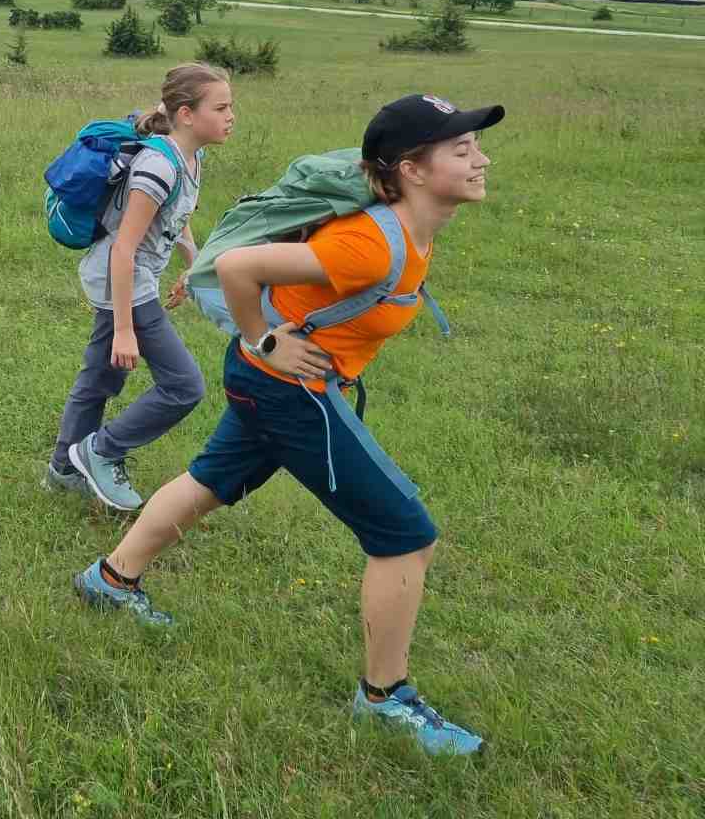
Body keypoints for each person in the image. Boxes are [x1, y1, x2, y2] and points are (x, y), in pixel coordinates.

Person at [72, 94, 504, 758]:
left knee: (211, 480)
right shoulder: (368, 244)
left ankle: (111, 579)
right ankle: (385, 699)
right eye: (462, 150)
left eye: (476, 147)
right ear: (412, 170)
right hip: (287, 389)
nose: (481, 161)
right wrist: (265, 339)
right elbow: (239, 268)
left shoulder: (410, 229)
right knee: (405, 536)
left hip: (265, 383)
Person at [45, 63, 234, 511]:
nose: (231, 116)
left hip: (130, 275)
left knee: (101, 376)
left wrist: (192, 265)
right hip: (122, 278)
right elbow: (123, 249)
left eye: (231, 107)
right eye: (221, 107)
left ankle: (63, 469)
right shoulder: (158, 166)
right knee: (184, 386)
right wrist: (126, 329)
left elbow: (177, 217)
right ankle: (101, 451)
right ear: (186, 114)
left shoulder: (191, 157)